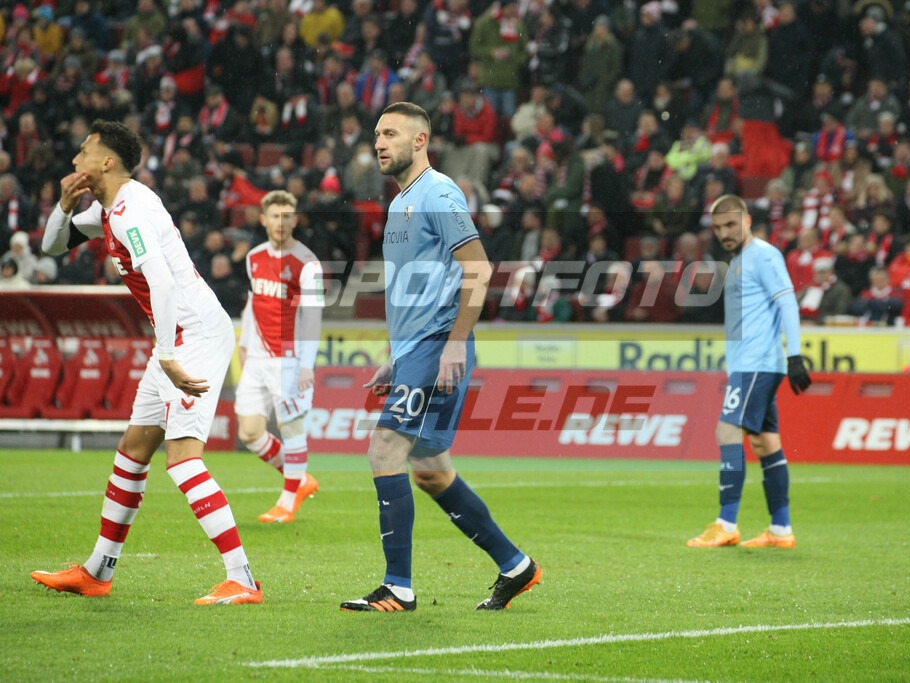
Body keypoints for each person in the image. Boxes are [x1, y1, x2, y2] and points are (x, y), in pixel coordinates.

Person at [31, 120, 262, 605]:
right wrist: (65, 205)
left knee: (182, 459)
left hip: (192, 333)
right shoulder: (110, 209)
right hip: (177, 336)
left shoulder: (132, 211)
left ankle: (242, 578)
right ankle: (98, 571)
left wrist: (169, 356)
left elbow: (164, 282)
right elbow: (52, 245)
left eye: (84, 150)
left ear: (107, 162)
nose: (75, 159)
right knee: (134, 448)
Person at [340, 102, 540, 613]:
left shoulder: (440, 192)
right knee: (429, 469)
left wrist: (453, 342)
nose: (379, 143)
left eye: (390, 134)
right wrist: (396, 356)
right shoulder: (400, 203)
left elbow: (478, 268)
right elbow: (413, 290)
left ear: (420, 140)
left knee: (385, 448)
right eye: (376, 134)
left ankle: (398, 587)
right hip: (417, 349)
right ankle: (515, 566)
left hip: (440, 343)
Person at [687, 195, 811, 550]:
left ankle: (726, 523)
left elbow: (787, 300)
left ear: (747, 220)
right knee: (764, 442)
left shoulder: (764, 255)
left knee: (727, 430)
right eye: (718, 227)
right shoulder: (739, 260)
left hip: (757, 364)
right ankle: (781, 530)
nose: (725, 233)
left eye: (730, 224)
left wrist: (796, 355)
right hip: (749, 365)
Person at [235, 190, 323, 523]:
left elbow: (313, 317)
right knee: (250, 432)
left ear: (294, 220)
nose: (280, 222)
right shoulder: (254, 257)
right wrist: (244, 342)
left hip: (290, 357)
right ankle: (298, 478)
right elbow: (252, 300)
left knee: (292, 427)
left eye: (287, 216)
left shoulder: (307, 263)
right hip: (257, 356)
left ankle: (288, 501)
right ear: (264, 219)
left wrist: (306, 364)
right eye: (274, 216)